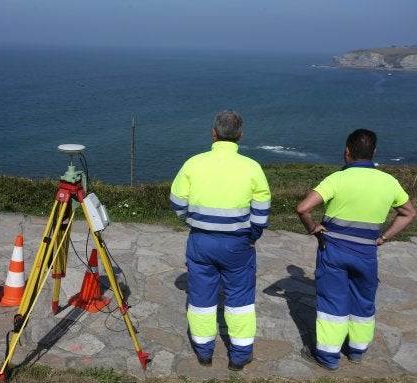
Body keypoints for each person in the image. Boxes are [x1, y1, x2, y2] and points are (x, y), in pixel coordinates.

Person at [295, 129, 415, 371]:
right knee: (363, 302)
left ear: (347, 152)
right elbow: (409, 213)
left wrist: (315, 229)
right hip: (367, 252)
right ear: (373, 153)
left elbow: (303, 208)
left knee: (332, 302)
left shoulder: (337, 179)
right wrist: (383, 237)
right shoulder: (389, 182)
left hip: (334, 251)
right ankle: (357, 352)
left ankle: (328, 357)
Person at [170, 110, 271, 371]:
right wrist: (253, 236)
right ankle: (239, 356)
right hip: (238, 244)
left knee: (201, 297)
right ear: (240, 135)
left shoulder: (194, 163)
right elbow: (261, 210)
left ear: (213, 133)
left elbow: (178, 201)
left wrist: (190, 220)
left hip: (201, 241)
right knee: (240, 299)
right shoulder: (252, 167)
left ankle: (204, 353)